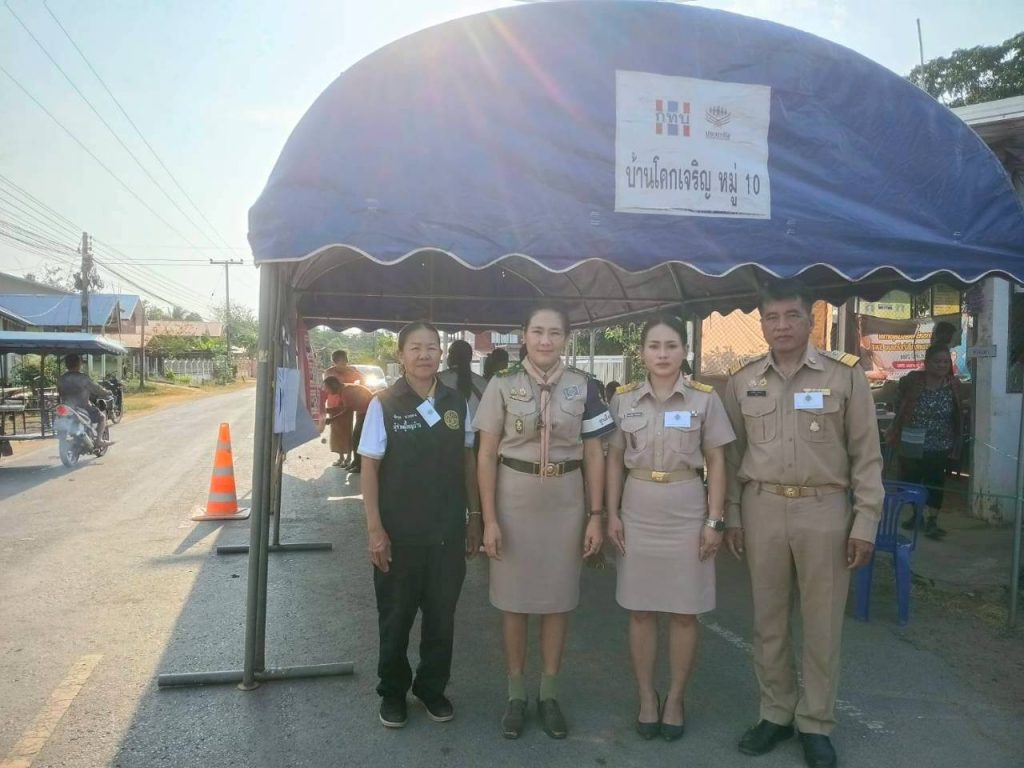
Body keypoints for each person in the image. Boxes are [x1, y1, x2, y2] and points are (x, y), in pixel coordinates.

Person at [721, 281, 883, 768]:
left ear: (810, 321)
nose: (782, 326)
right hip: (763, 507)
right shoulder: (743, 380)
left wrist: (865, 522)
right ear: (762, 324)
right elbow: (731, 457)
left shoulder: (843, 375)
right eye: (772, 318)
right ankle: (775, 713)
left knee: (822, 624)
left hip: (824, 509)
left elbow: (867, 455)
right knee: (768, 621)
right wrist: (732, 515)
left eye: (792, 316)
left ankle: (815, 722)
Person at [474, 305, 615, 740]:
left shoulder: (584, 386)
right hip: (513, 500)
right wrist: (488, 519)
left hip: (565, 502)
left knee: (558, 601)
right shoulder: (501, 384)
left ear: (566, 339)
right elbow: (485, 454)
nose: (545, 340)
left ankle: (549, 694)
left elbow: (594, 453)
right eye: (537, 331)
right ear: (524, 335)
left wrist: (596, 515)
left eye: (554, 333)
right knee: (513, 602)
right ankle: (516, 694)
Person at [605, 315, 735, 741]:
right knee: (640, 609)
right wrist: (611, 513)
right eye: (654, 346)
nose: (662, 354)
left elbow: (717, 461)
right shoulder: (624, 399)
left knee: (683, 611)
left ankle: (676, 697)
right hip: (638, 507)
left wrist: (714, 520)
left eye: (671, 345)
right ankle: (647, 695)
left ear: (685, 351)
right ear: (641, 352)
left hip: (686, 508)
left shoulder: (704, 399)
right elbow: (613, 460)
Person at [356, 321, 482, 729]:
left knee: (442, 618)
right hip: (399, 535)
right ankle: (392, 691)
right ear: (401, 355)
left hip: (446, 533)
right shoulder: (384, 404)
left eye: (432, 347)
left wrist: (475, 517)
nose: (425, 354)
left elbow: (468, 461)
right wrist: (375, 529)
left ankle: (432, 688)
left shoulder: (455, 401)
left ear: (441, 354)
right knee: (396, 619)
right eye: (415, 347)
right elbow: (369, 468)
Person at [886, 344, 962, 539]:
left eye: (945, 361)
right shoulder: (912, 381)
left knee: (935, 481)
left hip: (940, 442)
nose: (942, 365)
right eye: (937, 361)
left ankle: (932, 520)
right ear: (926, 363)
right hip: (912, 438)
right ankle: (916, 515)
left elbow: (957, 412)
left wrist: (956, 439)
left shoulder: (953, 385)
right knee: (911, 479)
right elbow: (898, 402)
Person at [57, 353, 112, 446]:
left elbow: (59, 392)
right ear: (78, 363)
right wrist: (106, 392)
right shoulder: (83, 378)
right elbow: (96, 389)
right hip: (83, 407)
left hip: (67, 407)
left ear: (66, 364)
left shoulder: (61, 378)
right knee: (102, 417)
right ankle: (99, 440)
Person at [323, 350, 364, 464]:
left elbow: (363, 378)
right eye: (342, 362)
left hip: (346, 404)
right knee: (336, 431)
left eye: (346, 361)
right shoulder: (329, 372)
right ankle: (340, 457)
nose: (345, 364)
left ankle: (348, 457)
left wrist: (358, 392)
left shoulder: (351, 371)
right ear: (335, 362)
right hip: (333, 403)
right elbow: (325, 388)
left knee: (347, 430)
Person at [438, 339, 488, 425]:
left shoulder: (437, 379)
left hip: (444, 430)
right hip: (477, 431)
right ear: (470, 358)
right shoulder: (483, 383)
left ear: (450, 357)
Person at [342, 381, 374, 473]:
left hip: (366, 412)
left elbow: (347, 409)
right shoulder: (346, 388)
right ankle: (356, 462)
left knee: (358, 438)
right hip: (362, 412)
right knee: (356, 438)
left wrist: (332, 419)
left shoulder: (345, 391)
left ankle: (359, 465)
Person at [322, 376, 348, 467]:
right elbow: (323, 400)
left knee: (346, 436)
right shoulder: (330, 392)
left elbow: (344, 408)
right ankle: (341, 458)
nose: (326, 390)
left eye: (327, 387)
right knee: (337, 437)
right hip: (333, 415)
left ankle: (348, 459)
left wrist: (331, 415)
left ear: (333, 385)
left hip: (344, 416)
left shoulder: (343, 391)